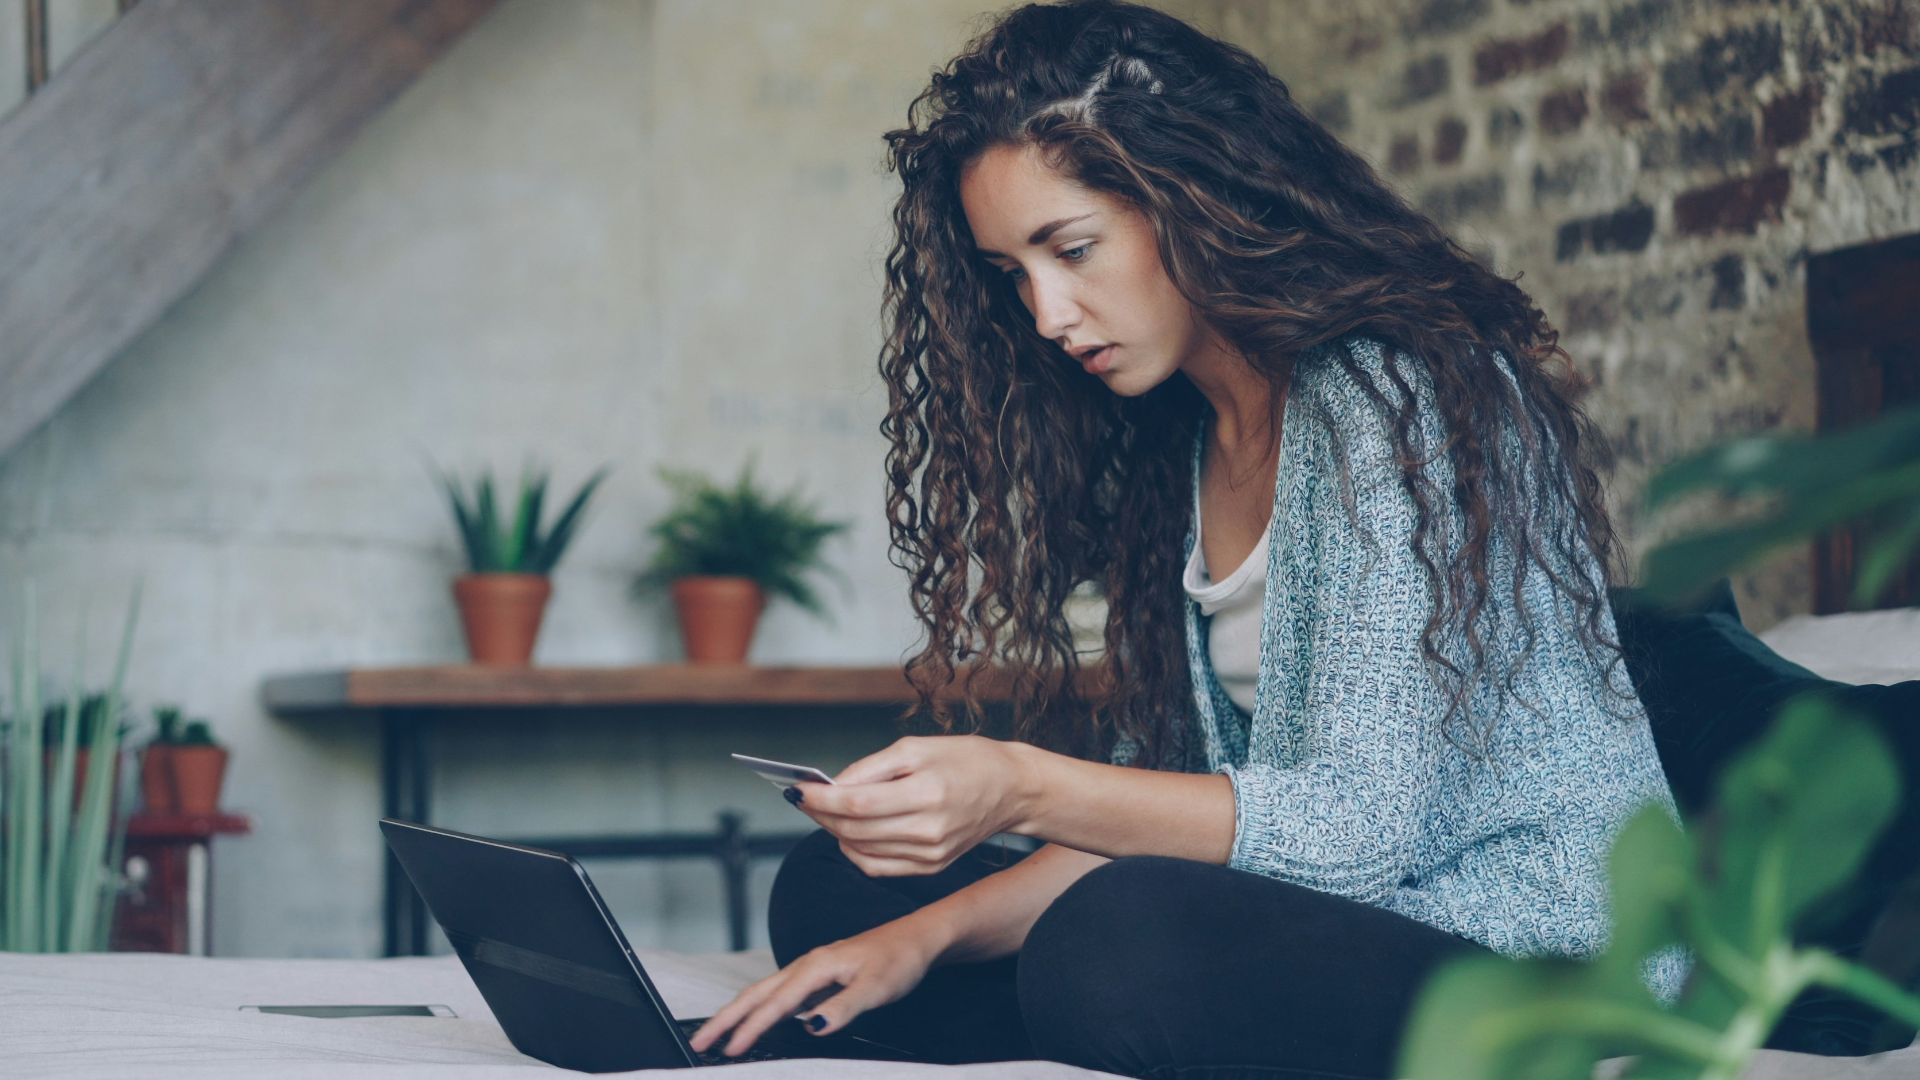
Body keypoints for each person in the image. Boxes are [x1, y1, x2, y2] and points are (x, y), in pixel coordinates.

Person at [688, 2, 1688, 1076]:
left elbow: (1358, 833)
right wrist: (923, 936)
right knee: (840, 898)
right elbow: (1179, 814)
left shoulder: (1400, 398)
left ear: (1194, 199)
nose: (1048, 314)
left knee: (1116, 947)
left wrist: (1019, 784)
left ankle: (1075, 1004)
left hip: (1538, 949)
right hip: (1314, 919)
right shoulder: (1183, 438)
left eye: (1071, 250)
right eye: (1014, 274)